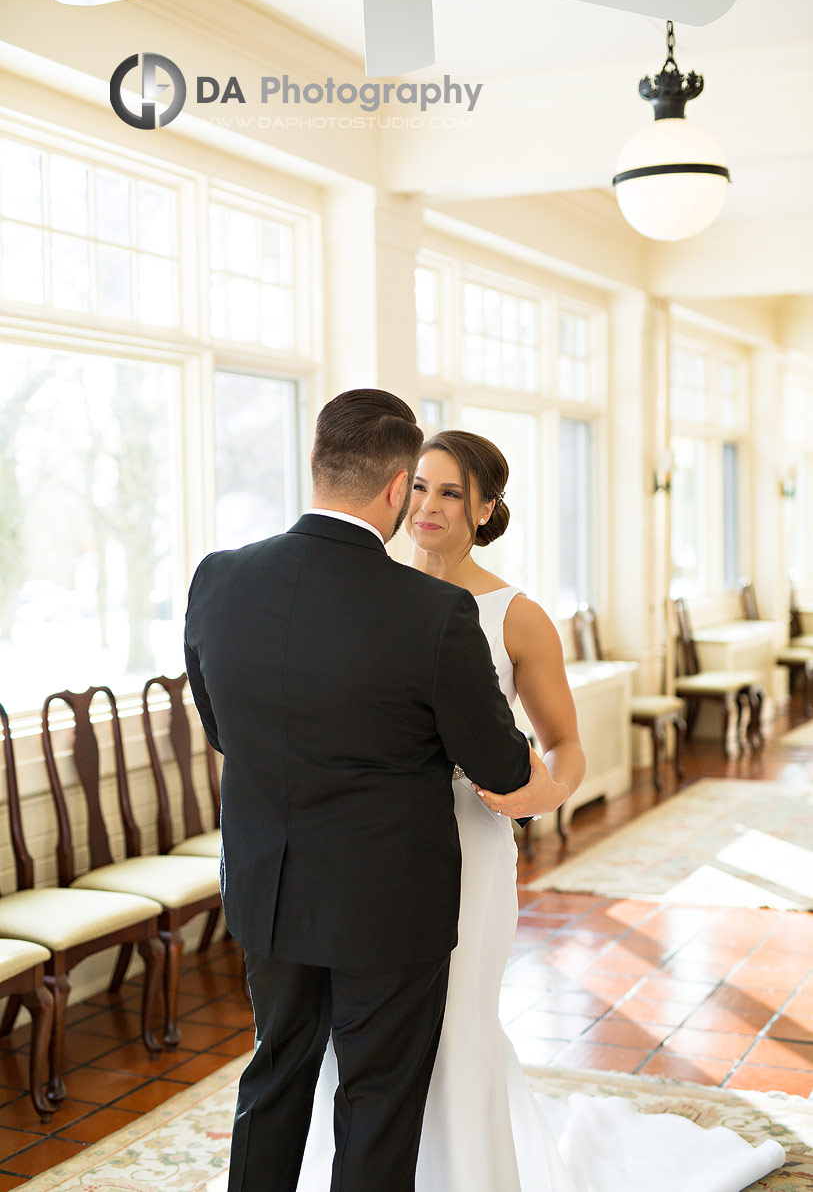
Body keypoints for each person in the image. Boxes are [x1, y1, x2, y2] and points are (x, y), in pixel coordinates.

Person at [297, 429, 786, 1192]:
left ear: (486, 508)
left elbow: (564, 745)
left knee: (456, 1021)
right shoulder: (362, 592)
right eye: (417, 485)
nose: (426, 506)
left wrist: (545, 792)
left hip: (467, 842)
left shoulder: (514, 616)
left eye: (451, 492)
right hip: (365, 851)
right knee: (354, 1028)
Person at [183, 391, 564, 1192]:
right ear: (397, 488)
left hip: (271, 886)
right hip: (387, 903)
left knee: (275, 1075)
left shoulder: (218, 578)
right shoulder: (433, 611)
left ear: (317, 464)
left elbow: (224, 730)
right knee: (378, 1097)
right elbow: (498, 767)